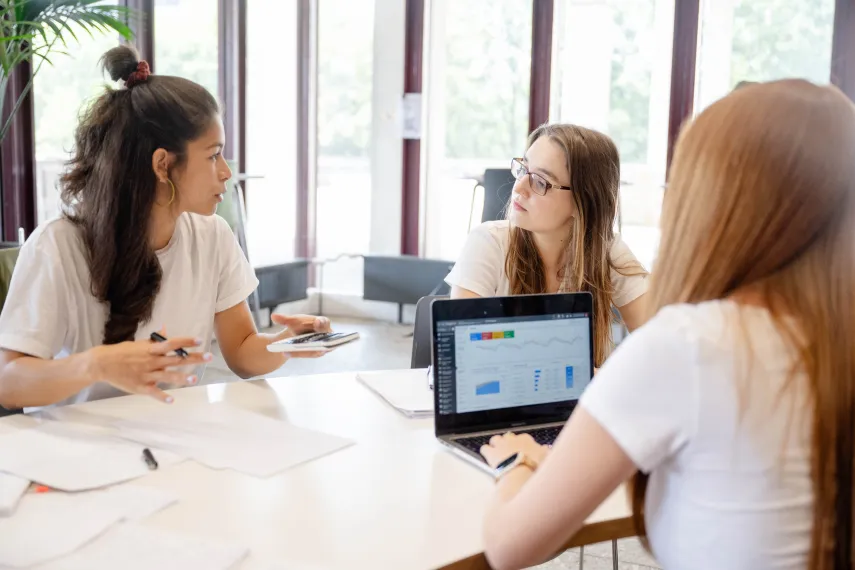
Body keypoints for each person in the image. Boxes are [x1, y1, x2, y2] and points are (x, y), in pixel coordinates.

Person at [476, 79, 855, 570]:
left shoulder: (689, 346)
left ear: (709, 203)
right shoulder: (832, 339)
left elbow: (508, 547)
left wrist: (514, 461)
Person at [0, 46, 331, 409]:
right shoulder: (58, 246)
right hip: (78, 453)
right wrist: (94, 365)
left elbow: (241, 353)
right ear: (162, 164)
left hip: (175, 442)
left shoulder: (213, 237)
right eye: (212, 155)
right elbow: (8, 382)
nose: (225, 171)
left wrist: (288, 341)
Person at [445, 124, 648, 367]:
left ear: (583, 201)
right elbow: (462, 356)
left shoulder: (606, 250)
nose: (519, 187)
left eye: (540, 182)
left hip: (575, 403)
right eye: (523, 169)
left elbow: (664, 339)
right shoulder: (489, 243)